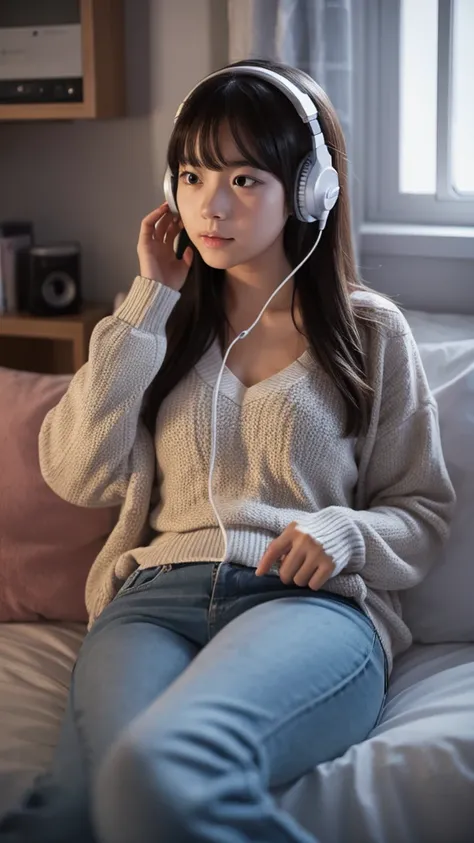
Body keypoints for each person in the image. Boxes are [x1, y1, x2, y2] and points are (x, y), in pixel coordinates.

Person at [0, 59, 455, 843]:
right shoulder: (154, 321)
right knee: (69, 814)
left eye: (245, 179)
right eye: (192, 174)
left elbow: (423, 511)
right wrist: (149, 301)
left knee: (157, 769)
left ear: (308, 190)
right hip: (152, 603)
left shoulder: (370, 331)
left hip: (304, 604)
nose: (210, 205)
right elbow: (74, 470)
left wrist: (345, 533)